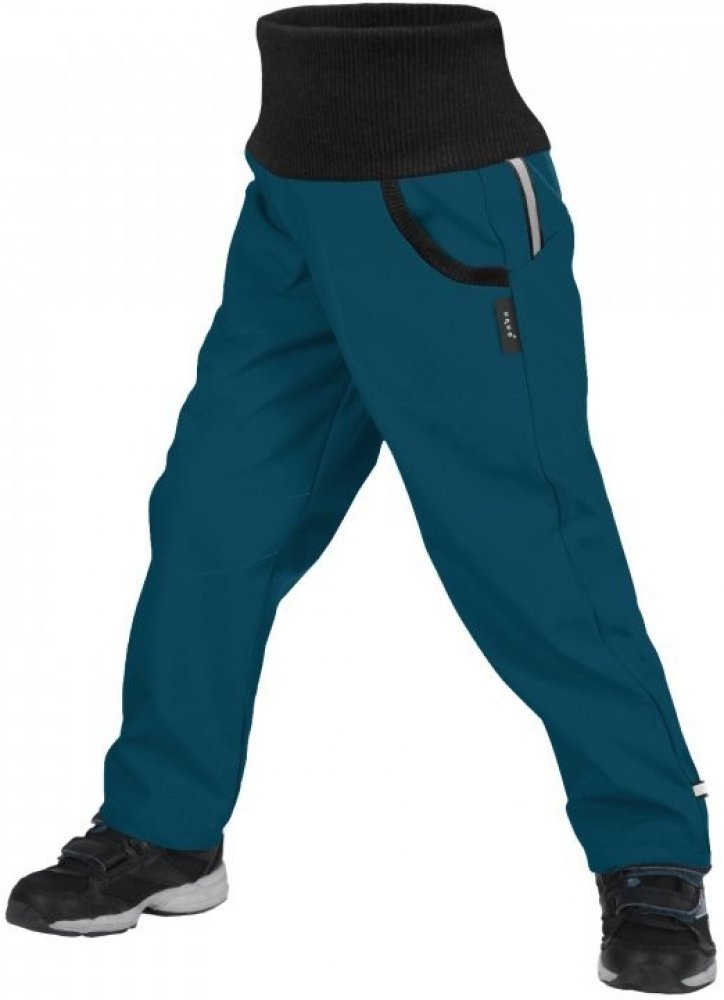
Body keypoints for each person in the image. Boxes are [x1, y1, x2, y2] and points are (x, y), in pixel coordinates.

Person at [5, 3, 716, 992]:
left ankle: (652, 848)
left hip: (449, 192)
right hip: (292, 188)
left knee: (528, 547)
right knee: (213, 519)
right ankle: (164, 828)